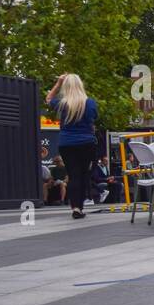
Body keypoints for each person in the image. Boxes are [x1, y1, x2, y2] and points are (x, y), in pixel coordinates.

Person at [44, 73, 98, 220]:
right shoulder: (90, 103)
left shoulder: (62, 104)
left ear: (66, 87)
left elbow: (48, 98)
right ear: (81, 85)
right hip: (86, 143)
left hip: (67, 143)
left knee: (74, 176)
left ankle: (75, 207)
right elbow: (93, 120)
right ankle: (80, 206)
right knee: (83, 175)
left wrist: (58, 82)